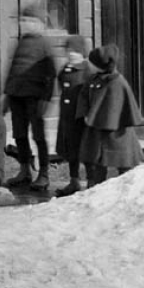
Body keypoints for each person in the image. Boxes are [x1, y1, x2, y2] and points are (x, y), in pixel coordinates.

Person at [2, 6, 56, 191]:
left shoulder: (44, 45)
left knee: (38, 136)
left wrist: (45, 100)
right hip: (17, 96)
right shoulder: (21, 42)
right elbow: (14, 70)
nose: (25, 24)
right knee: (19, 135)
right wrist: (7, 96)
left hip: (35, 98)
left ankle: (43, 174)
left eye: (30, 21)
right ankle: (25, 171)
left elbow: (51, 75)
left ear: (40, 24)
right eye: (23, 21)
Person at [77, 44, 144, 187]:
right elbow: (84, 96)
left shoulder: (117, 83)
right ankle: (95, 188)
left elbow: (115, 108)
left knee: (124, 164)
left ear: (99, 65)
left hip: (118, 132)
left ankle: (128, 190)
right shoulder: (94, 79)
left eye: (91, 62)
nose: (88, 64)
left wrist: (102, 119)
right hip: (97, 129)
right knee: (97, 162)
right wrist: (85, 113)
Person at [54, 35, 92, 197]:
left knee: (86, 149)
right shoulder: (65, 71)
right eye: (68, 51)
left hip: (82, 118)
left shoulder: (88, 71)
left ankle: (91, 180)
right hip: (68, 117)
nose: (71, 54)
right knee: (71, 149)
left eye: (75, 51)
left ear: (82, 53)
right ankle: (74, 180)